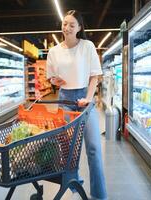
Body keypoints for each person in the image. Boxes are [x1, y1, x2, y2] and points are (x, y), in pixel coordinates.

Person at [46, 10, 107, 200]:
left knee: (94, 148)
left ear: (80, 28)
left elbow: (94, 76)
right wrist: (55, 81)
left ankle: (99, 195)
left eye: (72, 25)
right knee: (68, 149)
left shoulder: (87, 46)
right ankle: (74, 184)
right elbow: (51, 78)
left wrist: (88, 99)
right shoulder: (54, 51)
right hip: (65, 99)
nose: (67, 28)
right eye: (65, 24)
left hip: (84, 96)